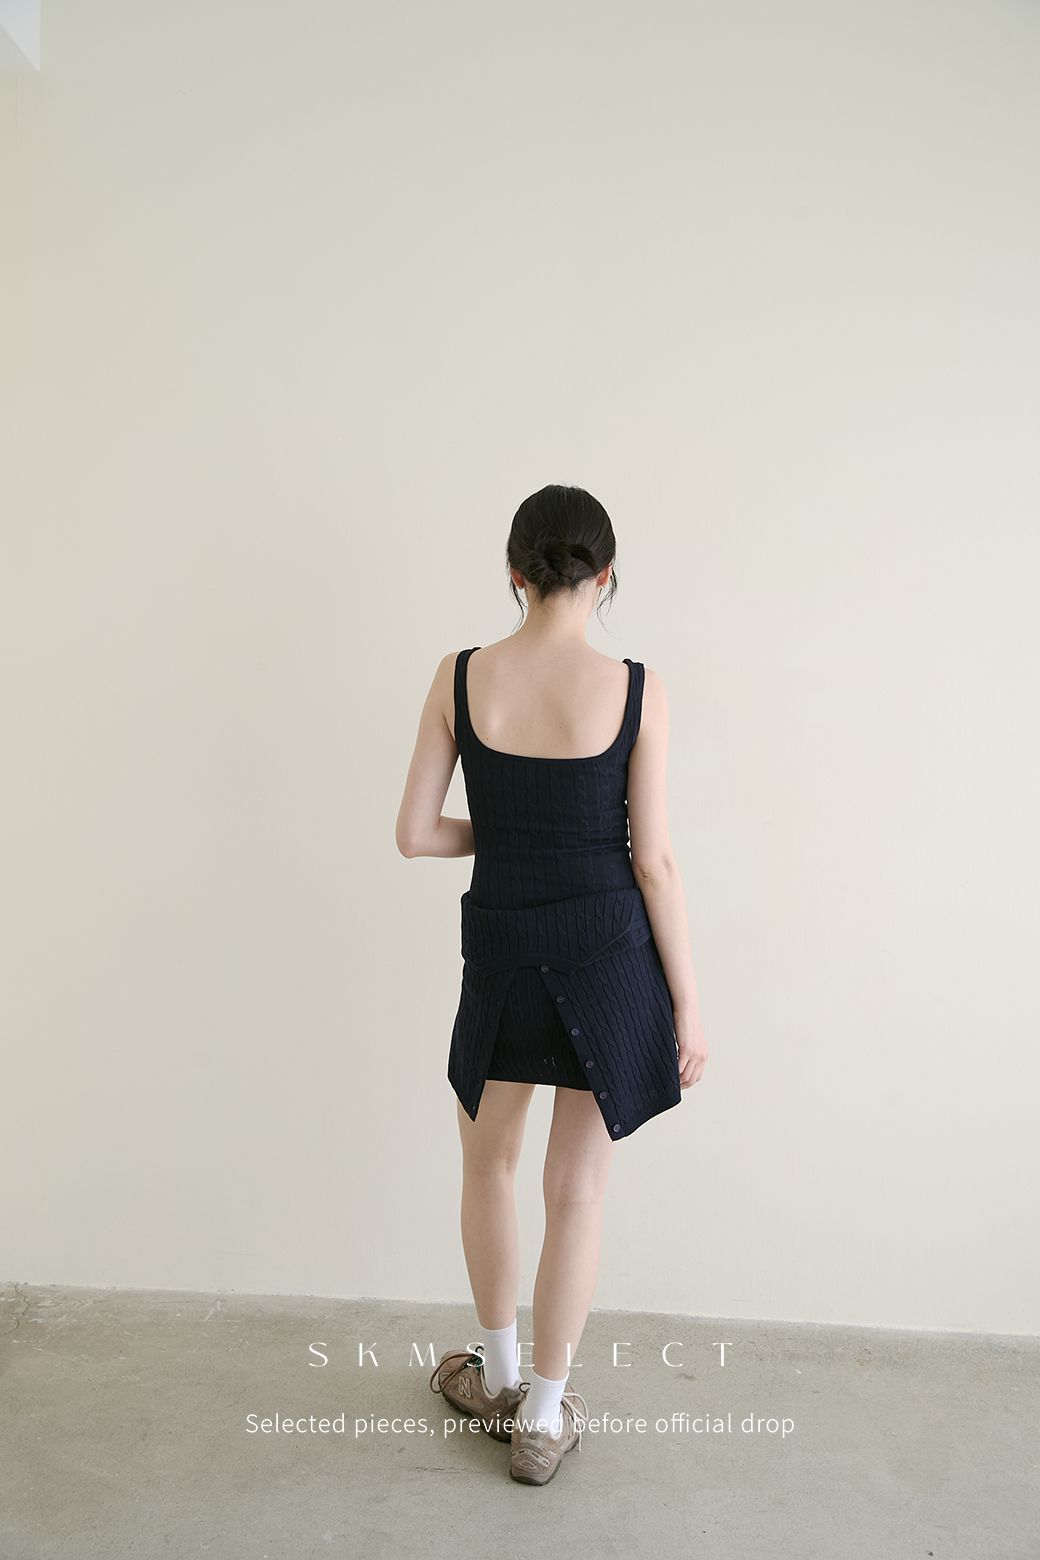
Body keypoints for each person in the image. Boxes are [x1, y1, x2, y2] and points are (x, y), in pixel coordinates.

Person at [395, 484, 708, 1485]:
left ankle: (495, 1376)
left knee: (486, 1167)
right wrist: (688, 1004)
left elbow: (414, 834)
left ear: (514, 572)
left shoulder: (458, 677)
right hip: (608, 960)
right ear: (605, 577)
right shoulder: (638, 689)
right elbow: (654, 861)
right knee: (575, 1192)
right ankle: (541, 1416)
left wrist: (508, 833)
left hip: (500, 956)